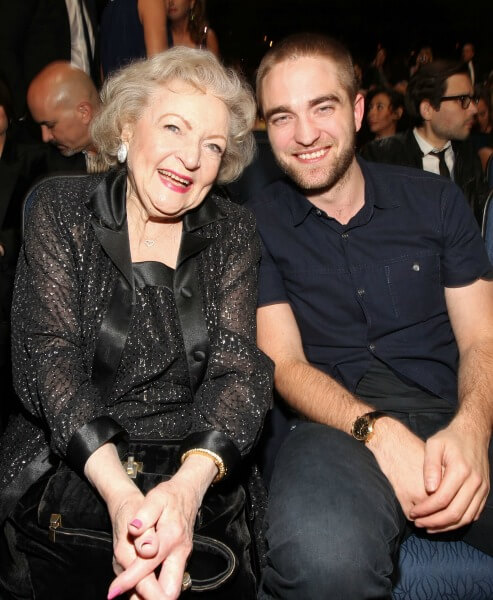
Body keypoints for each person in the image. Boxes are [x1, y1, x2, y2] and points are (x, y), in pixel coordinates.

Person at [0, 47, 273, 600]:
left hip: (199, 465)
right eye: (174, 127)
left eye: (213, 145)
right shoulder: (57, 209)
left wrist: (184, 493)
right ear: (127, 125)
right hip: (70, 466)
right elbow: (48, 366)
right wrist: (123, 497)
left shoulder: (234, 231)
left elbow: (240, 375)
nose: (192, 158)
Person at [246, 33, 493, 599]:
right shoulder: (255, 224)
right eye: (282, 117)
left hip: (454, 407)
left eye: (322, 108)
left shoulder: (435, 200)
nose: (304, 135)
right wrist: (378, 434)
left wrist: (475, 429)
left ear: (357, 110)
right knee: (322, 565)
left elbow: (482, 336)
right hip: (329, 429)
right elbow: (284, 364)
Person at [361, 60, 487, 224]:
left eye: (472, 99)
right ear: (427, 109)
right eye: (463, 99)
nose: (474, 109)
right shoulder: (381, 158)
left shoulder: (468, 156)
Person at [27, 61, 106, 172]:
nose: (45, 137)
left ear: (84, 112)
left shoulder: (131, 145)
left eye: (50, 125)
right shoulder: (46, 165)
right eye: (41, 126)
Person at [100, 0, 168, 77]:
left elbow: (104, 72)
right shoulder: (150, 2)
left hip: (115, 87)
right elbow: (159, 69)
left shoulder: (108, 9)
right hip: (144, 86)